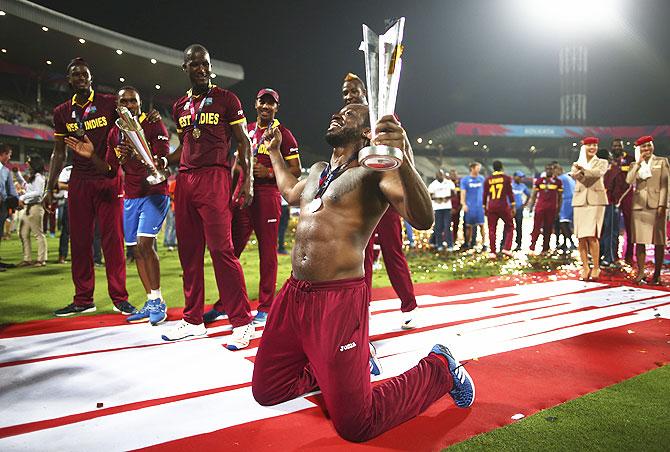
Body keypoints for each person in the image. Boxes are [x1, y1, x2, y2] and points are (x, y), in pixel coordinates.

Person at [252, 102, 474, 442]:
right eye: (338, 109)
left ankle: (440, 369)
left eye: (350, 113)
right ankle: (333, 370)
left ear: (367, 131)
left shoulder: (376, 172)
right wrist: (276, 153)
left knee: (357, 425)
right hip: (294, 294)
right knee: (268, 390)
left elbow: (424, 218)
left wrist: (403, 158)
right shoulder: (318, 170)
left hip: (337, 300)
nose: (338, 113)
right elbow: (288, 191)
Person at [160, 44, 255, 349]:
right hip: (185, 179)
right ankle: (192, 320)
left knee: (222, 251)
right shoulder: (179, 106)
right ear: (184, 68)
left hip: (214, 177)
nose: (201, 69)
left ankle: (242, 321)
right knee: (188, 252)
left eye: (205, 64)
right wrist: (164, 160)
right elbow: (184, 146)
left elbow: (243, 143)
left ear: (210, 66)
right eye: (194, 65)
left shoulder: (227, 99)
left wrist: (247, 181)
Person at [65, 86, 172, 325]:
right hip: (131, 196)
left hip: (154, 192)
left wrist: (142, 156)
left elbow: (161, 159)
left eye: (133, 101)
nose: (129, 105)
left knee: (146, 245)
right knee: (135, 249)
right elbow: (111, 170)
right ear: (117, 106)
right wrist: (92, 156)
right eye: (124, 101)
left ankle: (159, 302)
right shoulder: (115, 132)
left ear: (140, 103)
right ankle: (151, 300)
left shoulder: (154, 124)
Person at [44, 58, 135, 317]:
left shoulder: (108, 103)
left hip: (107, 178)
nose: (81, 78)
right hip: (79, 182)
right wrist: (49, 187)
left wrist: (125, 155)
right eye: (76, 75)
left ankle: (119, 297)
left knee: (113, 241)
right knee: (81, 241)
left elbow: (129, 129)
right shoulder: (61, 112)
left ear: (91, 78)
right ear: (69, 80)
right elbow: (58, 153)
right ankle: (83, 298)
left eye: (85, 74)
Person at [343, 73, 419, 330]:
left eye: (353, 91)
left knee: (392, 251)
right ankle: (362, 308)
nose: (349, 96)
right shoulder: (346, 120)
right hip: (359, 196)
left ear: (365, 92)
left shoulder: (383, 114)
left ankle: (409, 305)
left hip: (384, 195)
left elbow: (398, 149)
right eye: (345, 93)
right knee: (359, 254)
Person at [223, 88, 302, 325]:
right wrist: (239, 174)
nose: (266, 107)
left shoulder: (283, 134)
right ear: (255, 104)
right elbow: (236, 162)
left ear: (276, 108)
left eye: (271, 104)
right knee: (231, 250)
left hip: (268, 195)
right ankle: (226, 302)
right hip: (244, 194)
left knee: (267, 252)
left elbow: (296, 170)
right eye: (262, 102)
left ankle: (266, 306)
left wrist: (268, 172)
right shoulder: (245, 130)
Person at [626, 136, 669, 285]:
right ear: (639, 149)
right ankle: (641, 272)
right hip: (639, 207)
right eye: (643, 147)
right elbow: (629, 180)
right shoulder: (634, 164)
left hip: (657, 206)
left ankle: (657, 274)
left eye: (649, 146)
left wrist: (663, 205)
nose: (647, 149)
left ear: (652, 146)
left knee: (659, 241)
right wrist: (638, 163)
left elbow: (665, 186)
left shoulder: (662, 162)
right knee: (640, 241)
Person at [570, 137, 608, 281]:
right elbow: (574, 176)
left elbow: (597, 174)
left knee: (592, 235)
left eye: (595, 145)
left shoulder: (602, 162)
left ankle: (596, 267)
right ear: (583, 147)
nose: (592, 148)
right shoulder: (577, 164)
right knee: (581, 237)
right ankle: (585, 267)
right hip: (580, 201)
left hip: (595, 201)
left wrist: (582, 171)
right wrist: (578, 172)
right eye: (589, 145)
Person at [16, 155, 48, 266]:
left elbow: (38, 193)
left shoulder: (39, 177)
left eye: (29, 161)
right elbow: (26, 186)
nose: (27, 163)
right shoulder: (33, 177)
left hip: (35, 207)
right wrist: (17, 174)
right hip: (29, 207)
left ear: (34, 164)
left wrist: (23, 197)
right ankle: (27, 259)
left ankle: (41, 259)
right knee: (23, 233)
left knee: (38, 234)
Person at [528, 163, 563, 255]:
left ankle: (545, 249)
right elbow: (534, 195)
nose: (548, 171)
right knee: (536, 227)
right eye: (547, 169)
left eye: (550, 169)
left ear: (553, 170)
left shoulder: (558, 182)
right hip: (540, 208)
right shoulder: (539, 181)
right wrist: (531, 206)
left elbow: (560, 197)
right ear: (545, 169)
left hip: (551, 209)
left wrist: (558, 209)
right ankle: (532, 247)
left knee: (548, 229)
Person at [482, 160, 514, 258]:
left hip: (491, 206)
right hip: (503, 205)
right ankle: (506, 248)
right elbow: (510, 193)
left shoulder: (488, 179)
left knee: (492, 229)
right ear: (501, 168)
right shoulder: (506, 178)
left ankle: (492, 252)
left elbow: (485, 194)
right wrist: (513, 205)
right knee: (510, 226)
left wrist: (484, 206)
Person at [600, 150, 626, 267]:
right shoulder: (600, 171)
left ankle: (609, 256)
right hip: (601, 204)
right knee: (604, 231)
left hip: (610, 203)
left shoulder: (615, 171)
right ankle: (603, 255)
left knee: (610, 231)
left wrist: (616, 202)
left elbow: (621, 187)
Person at [612, 138, 635, 263]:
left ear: (622, 147)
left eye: (619, 146)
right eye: (614, 146)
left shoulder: (631, 159)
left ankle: (629, 256)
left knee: (629, 227)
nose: (617, 148)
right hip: (613, 197)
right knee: (612, 228)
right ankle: (613, 256)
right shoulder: (609, 161)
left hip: (628, 197)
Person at [0, 144, 18, 271]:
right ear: (3, 154)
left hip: (2, 205)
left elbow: (10, 190)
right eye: (9, 154)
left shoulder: (6, 171)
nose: (10, 157)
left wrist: (16, 202)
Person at [461, 162, 486, 250]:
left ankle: (484, 244)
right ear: (472, 168)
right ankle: (467, 243)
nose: (479, 169)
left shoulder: (482, 179)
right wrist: (463, 204)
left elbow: (486, 192)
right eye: (477, 167)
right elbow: (463, 193)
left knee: (482, 225)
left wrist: (486, 204)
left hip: (480, 207)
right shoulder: (465, 180)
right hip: (470, 206)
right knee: (468, 226)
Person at [427, 169, 454, 251]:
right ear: (436, 176)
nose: (440, 176)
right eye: (438, 175)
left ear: (443, 175)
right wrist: (437, 199)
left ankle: (450, 245)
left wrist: (447, 198)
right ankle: (439, 245)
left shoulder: (449, 183)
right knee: (438, 227)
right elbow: (429, 196)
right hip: (437, 207)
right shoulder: (433, 185)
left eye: (441, 175)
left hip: (447, 207)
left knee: (447, 226)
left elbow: (454, 193)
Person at [555, 164, 576, 251]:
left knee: (563, 223)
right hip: (572, 200)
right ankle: (565, 243)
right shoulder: (568, 177)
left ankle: (571, 243)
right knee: (565, 224)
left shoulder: (560, 178)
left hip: (565, 201)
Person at [55, 165, 72, 263]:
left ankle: (82, 256)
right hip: (70, 200)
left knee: (85, 231)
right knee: (66, 230)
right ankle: (62, 255)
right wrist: (77, 186)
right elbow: (60, 185)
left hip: (87, 201)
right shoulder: (68, 169)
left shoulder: (90, 167)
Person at [510, 171, 530, 250]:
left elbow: (528, 195)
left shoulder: (523, 186)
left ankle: (518, 244)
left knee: (519, 227)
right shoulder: (510, 185)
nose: (521, 179)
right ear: (514, 177)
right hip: (510, 209)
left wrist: (524, 204)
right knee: (508, 226)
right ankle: (505, 244)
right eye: (519, 177)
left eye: (522, 177)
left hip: (519, 209)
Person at [163, 178, 177, 251]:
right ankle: (168, 242)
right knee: (170, 225)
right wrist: (177, 199)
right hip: (171, 206)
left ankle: (173, 242)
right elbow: (170, 194)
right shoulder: (174, 183)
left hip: (177, 207)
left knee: (175, 226)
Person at [450, 169, 462, 246]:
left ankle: (454, 240)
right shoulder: (447, 183)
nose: (454, 176)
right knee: (446, 225)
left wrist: (459, 208)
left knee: (456, 225)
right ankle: (447, 240)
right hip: (448, 209)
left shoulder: (460, 184)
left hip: (457, 209)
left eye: (455, 174)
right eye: (452, 174)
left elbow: (462, 197)